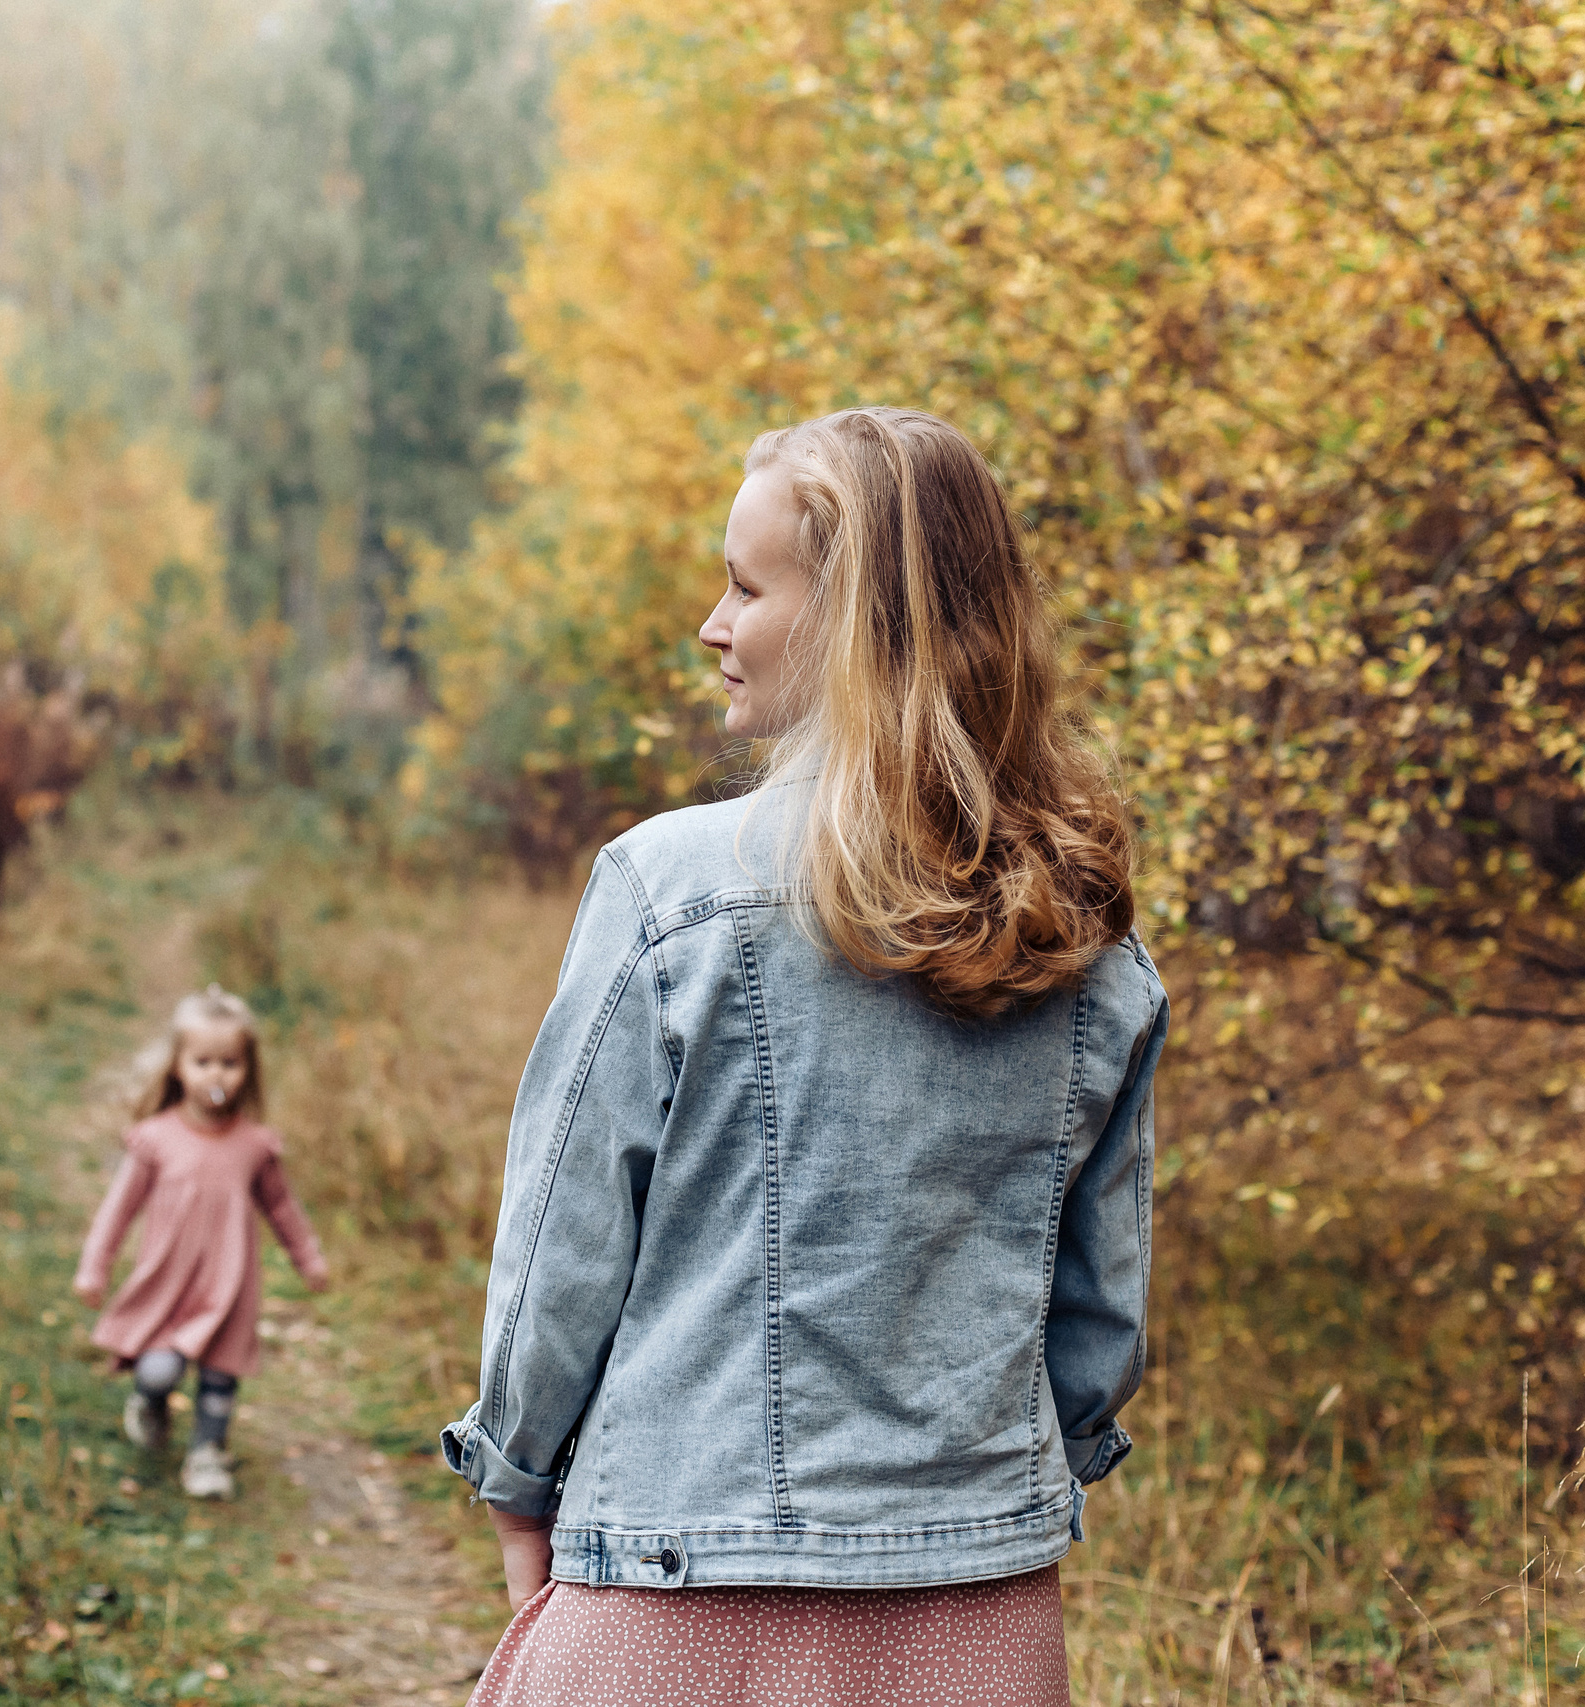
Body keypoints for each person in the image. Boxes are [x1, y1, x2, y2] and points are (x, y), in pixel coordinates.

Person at [440, 407, 1168, 1704]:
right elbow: (1097, 1327)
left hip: (672, 1591)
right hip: (977, 1623)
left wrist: (516, 1475)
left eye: (744, 584)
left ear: (851, 624)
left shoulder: (668, 890)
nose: (713, 624)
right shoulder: (1087, 939)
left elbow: (561, 1251)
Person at [77, 985, 329, 1500]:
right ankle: (148, 1404)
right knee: (158, 1371)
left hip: (229, 1285)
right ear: (177, 1066)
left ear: (248, 1069)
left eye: (230, 1062)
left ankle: (206, 1455)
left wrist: (309, 1258)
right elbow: (118, 1209)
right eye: (203, 1061)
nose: (217, 1074)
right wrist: (94, 1267)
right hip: (168, 1283)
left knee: (220, 1376)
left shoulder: (255, 1146)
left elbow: (283, 1209)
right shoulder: (155, 1138)